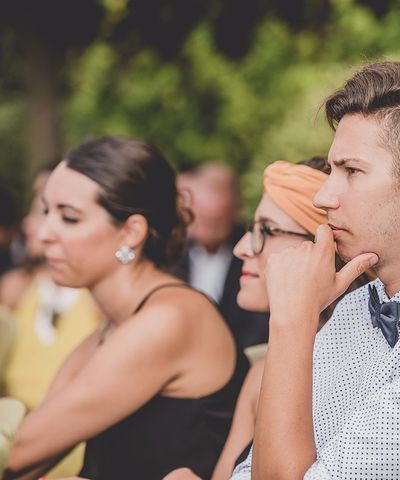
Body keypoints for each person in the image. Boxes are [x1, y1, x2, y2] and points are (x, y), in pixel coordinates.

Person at [231, 58, 400, 479]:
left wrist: (292, 320)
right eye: (332, 170)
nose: (324, 197)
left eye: (351, 171)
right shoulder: (356, 303)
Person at [4, 136, 247, 480]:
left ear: (131, 232)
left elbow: (18, 449)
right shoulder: (109, 331)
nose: (44, 233)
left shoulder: (169, 319)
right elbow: (24, 456)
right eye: (46, 211)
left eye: (69, 218)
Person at [164, 157, 370, 480]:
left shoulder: (364, 367)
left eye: (267, 231)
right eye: (250, 228)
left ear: (329, 249)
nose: (242, 248)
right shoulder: (261, 372)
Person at [0, 166, 101, 478]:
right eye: (40, 210)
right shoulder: (15, 289)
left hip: (68, 455)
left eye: (62, 214)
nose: (33, 225)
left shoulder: (99, 300)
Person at [173, 163, 269, 349]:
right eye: (200, 218)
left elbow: (259, 325)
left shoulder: (250, 251)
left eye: (216, 220)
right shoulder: (175, 254)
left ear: (234, 209)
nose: (206, 229)